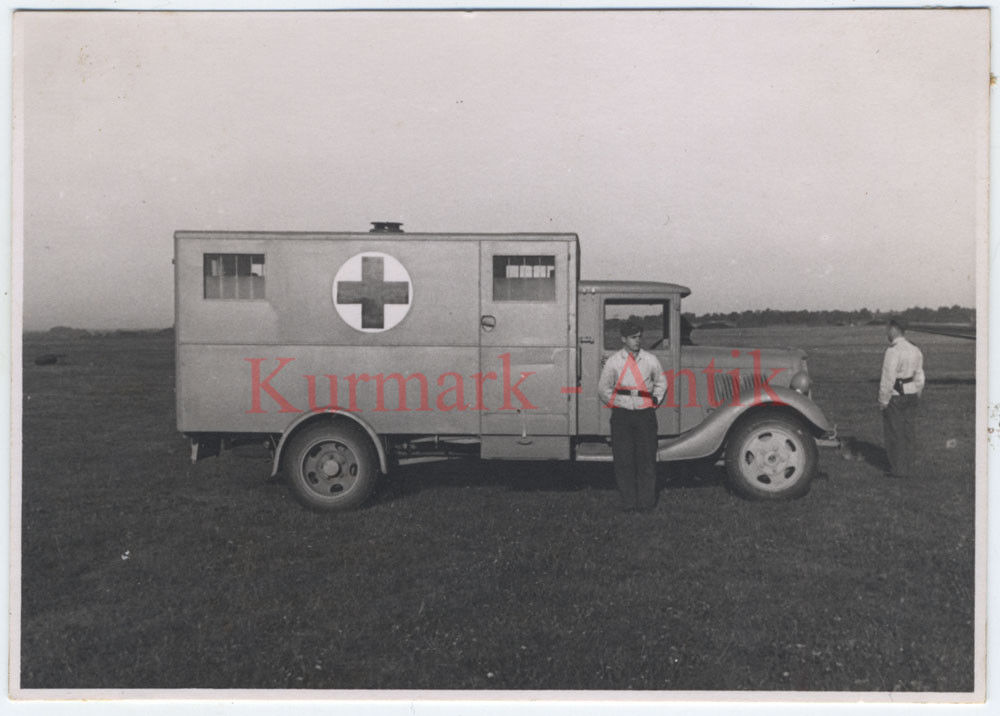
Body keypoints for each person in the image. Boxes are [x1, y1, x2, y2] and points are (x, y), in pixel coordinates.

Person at [598, 320, 667, 511]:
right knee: (624, 460)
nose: (637, 341)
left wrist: (655, 401)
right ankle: (628, 503)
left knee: (646, 460)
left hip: (645, 415)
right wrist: (617, 404)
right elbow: (604, 389)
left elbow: (661, 383)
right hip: (622, 416)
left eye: (639, 337)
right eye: (633, 337)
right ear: (623, 339)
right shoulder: (614, 361)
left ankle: (646, 504)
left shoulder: (650, 360)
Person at [878, 318, 925, 478]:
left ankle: (898, 470)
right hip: (911, 394)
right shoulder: (915, 349)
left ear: (893, 329)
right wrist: (918, 391)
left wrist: (883, 400)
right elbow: (919, 374)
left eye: (888, 329)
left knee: (894, 433)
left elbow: (888, 378)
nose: (886, 333)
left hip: (896, 396)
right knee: (908, 431)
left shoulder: (893, 351)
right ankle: (910, 465)